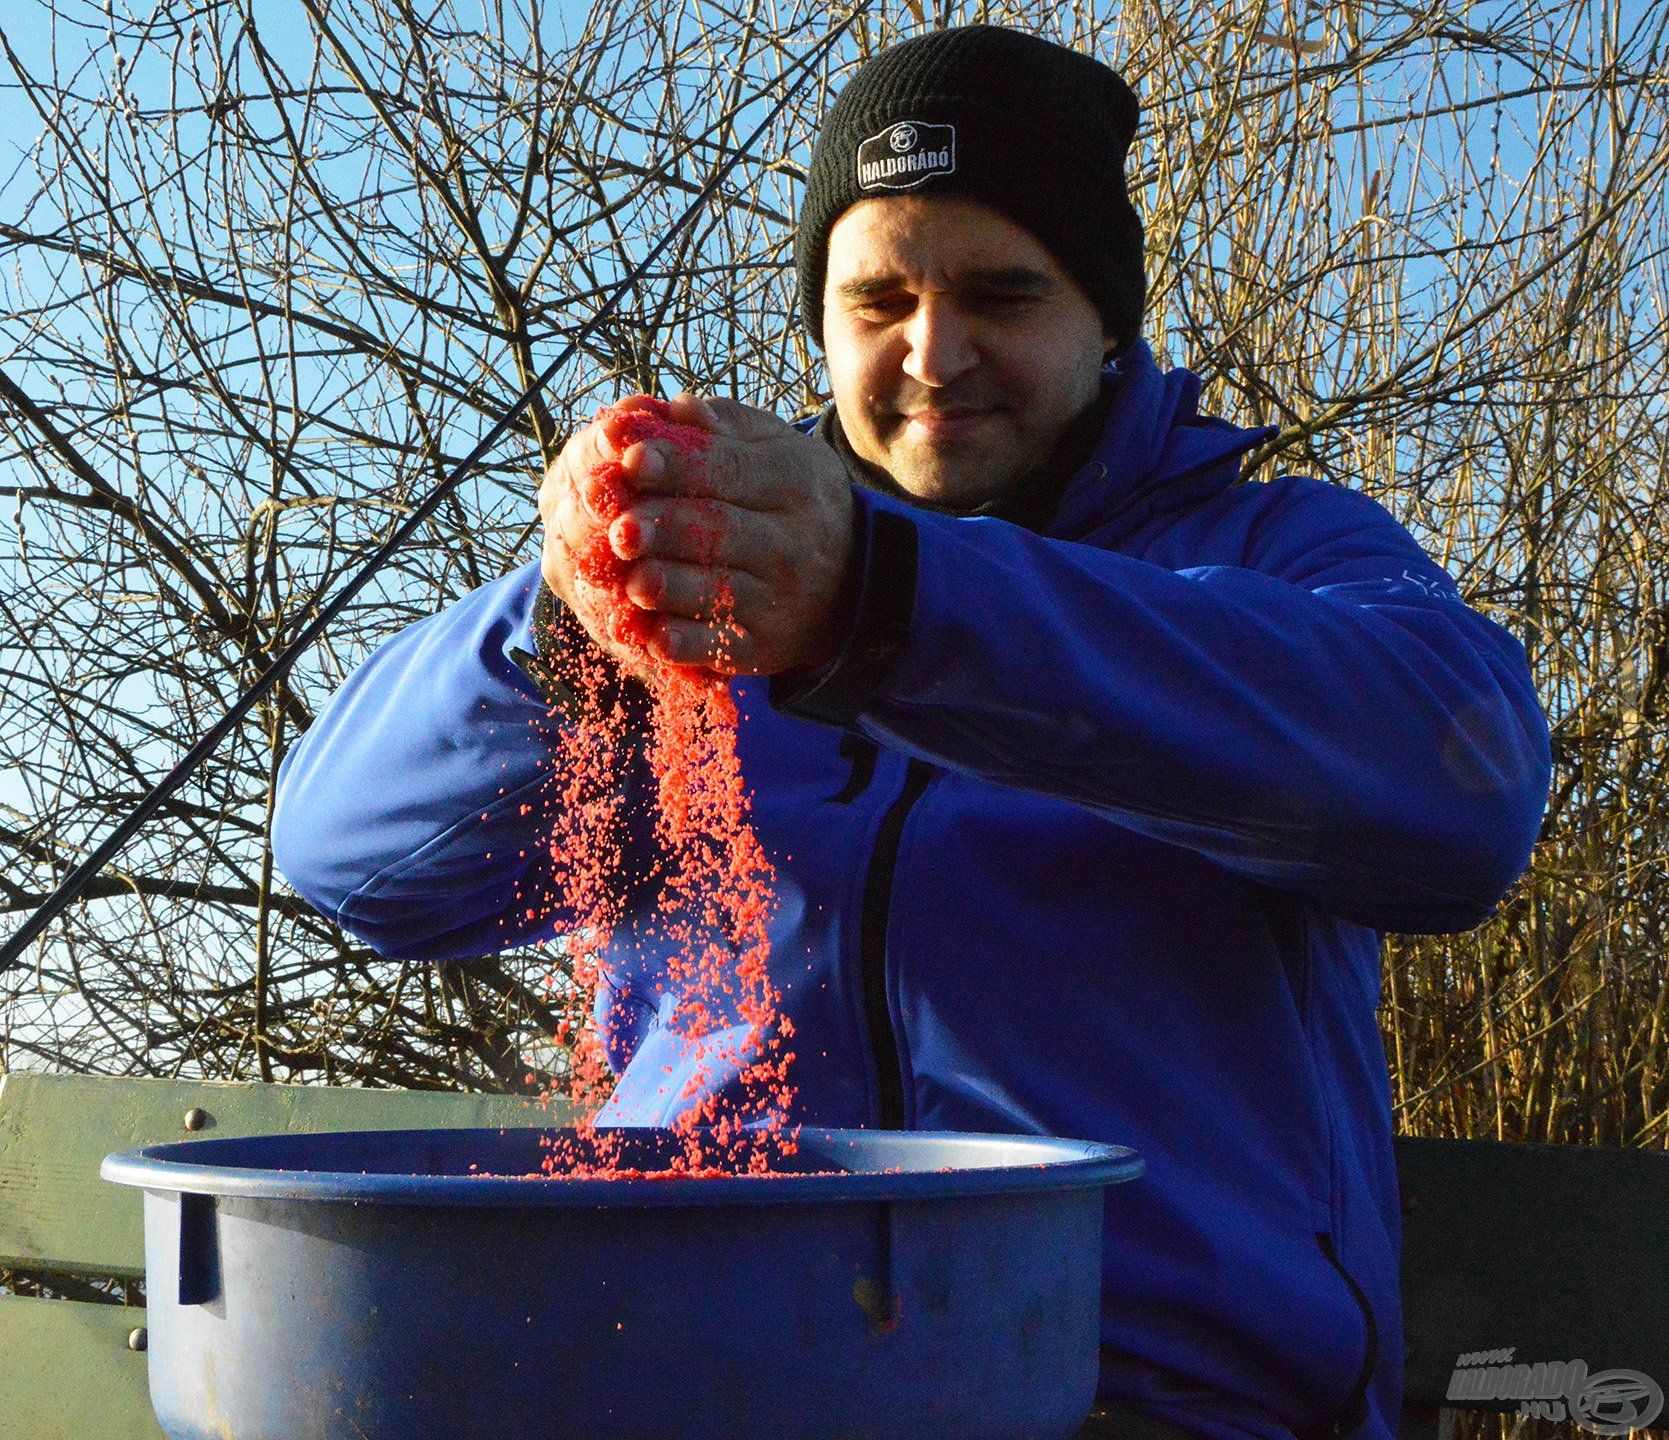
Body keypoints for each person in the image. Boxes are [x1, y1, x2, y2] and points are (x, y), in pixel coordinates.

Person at [272, 24, 1551, 1440]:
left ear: (1103, 316)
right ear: (817, 319)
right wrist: (573, 616)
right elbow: (359, 867)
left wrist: (890, 605)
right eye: (876, 298)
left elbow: (1462, 798)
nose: (931, 354)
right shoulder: (706, 587)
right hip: (685, 1376)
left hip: (1137, 1394)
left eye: (1000, 292)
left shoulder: (1272, 548)